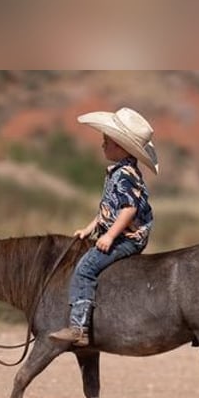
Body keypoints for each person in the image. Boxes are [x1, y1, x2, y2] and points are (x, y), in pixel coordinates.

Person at [49, 107, 159, 347]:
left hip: (128, 238)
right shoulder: (118, 172)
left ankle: (79, 328)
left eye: (106, 141)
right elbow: (107, 209)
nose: (102, 145)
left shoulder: (124, 175)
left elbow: (128, 209)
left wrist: (109, 236)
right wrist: (90, 228)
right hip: (119, 232)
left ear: (120, 146)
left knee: (85, 268)